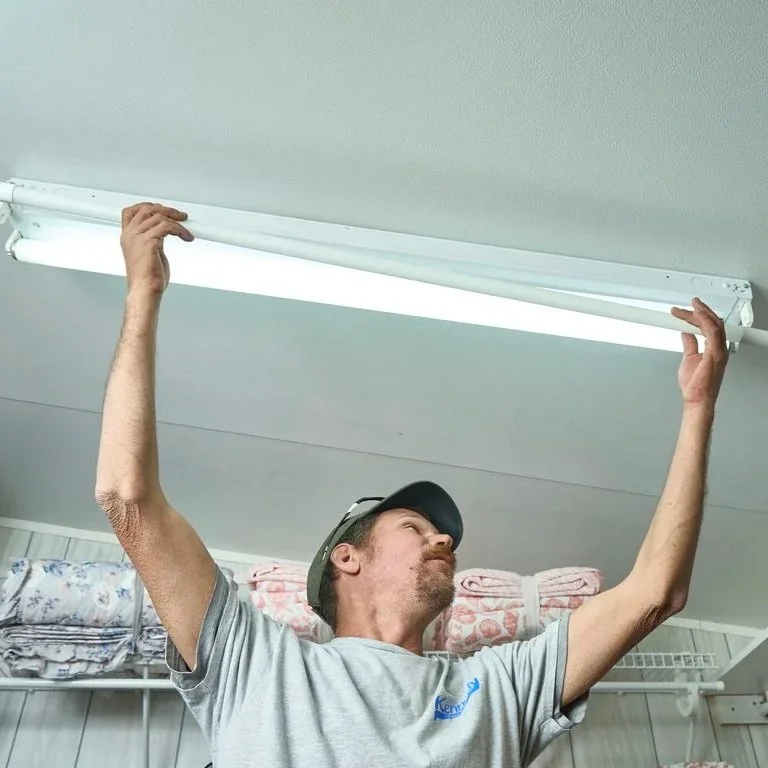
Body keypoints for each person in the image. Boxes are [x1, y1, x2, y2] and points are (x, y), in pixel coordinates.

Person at [95, 203, 730, 768]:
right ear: (348, 555)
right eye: (416, 528)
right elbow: (128, 499)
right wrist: (143, 293)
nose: (446, 539)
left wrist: (699, 408)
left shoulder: (501, 688)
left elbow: (655, 592)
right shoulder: (258, 666)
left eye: (441, 533)